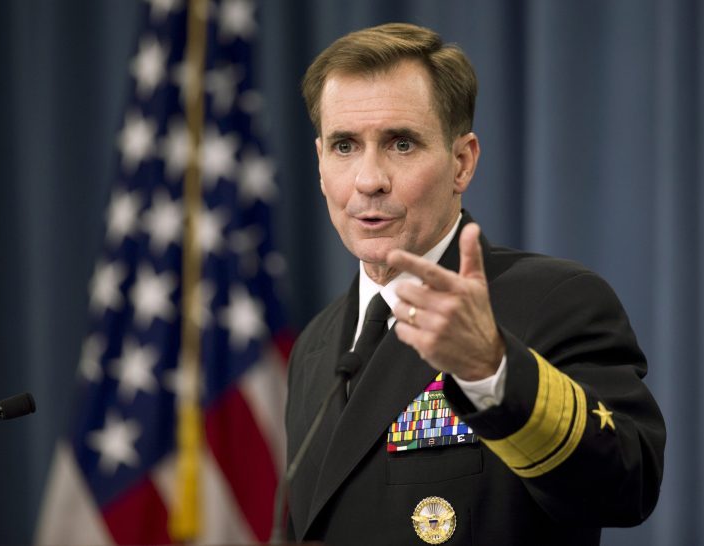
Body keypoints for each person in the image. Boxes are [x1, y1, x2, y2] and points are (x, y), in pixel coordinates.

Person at [284, 22, 665, 546]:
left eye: (401, 143)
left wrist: (494, 370)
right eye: (345, 146)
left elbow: (629, 484)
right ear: (320, 164)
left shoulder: (556, 302)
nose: (369, 180)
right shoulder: (314, 345)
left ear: (461, 163)